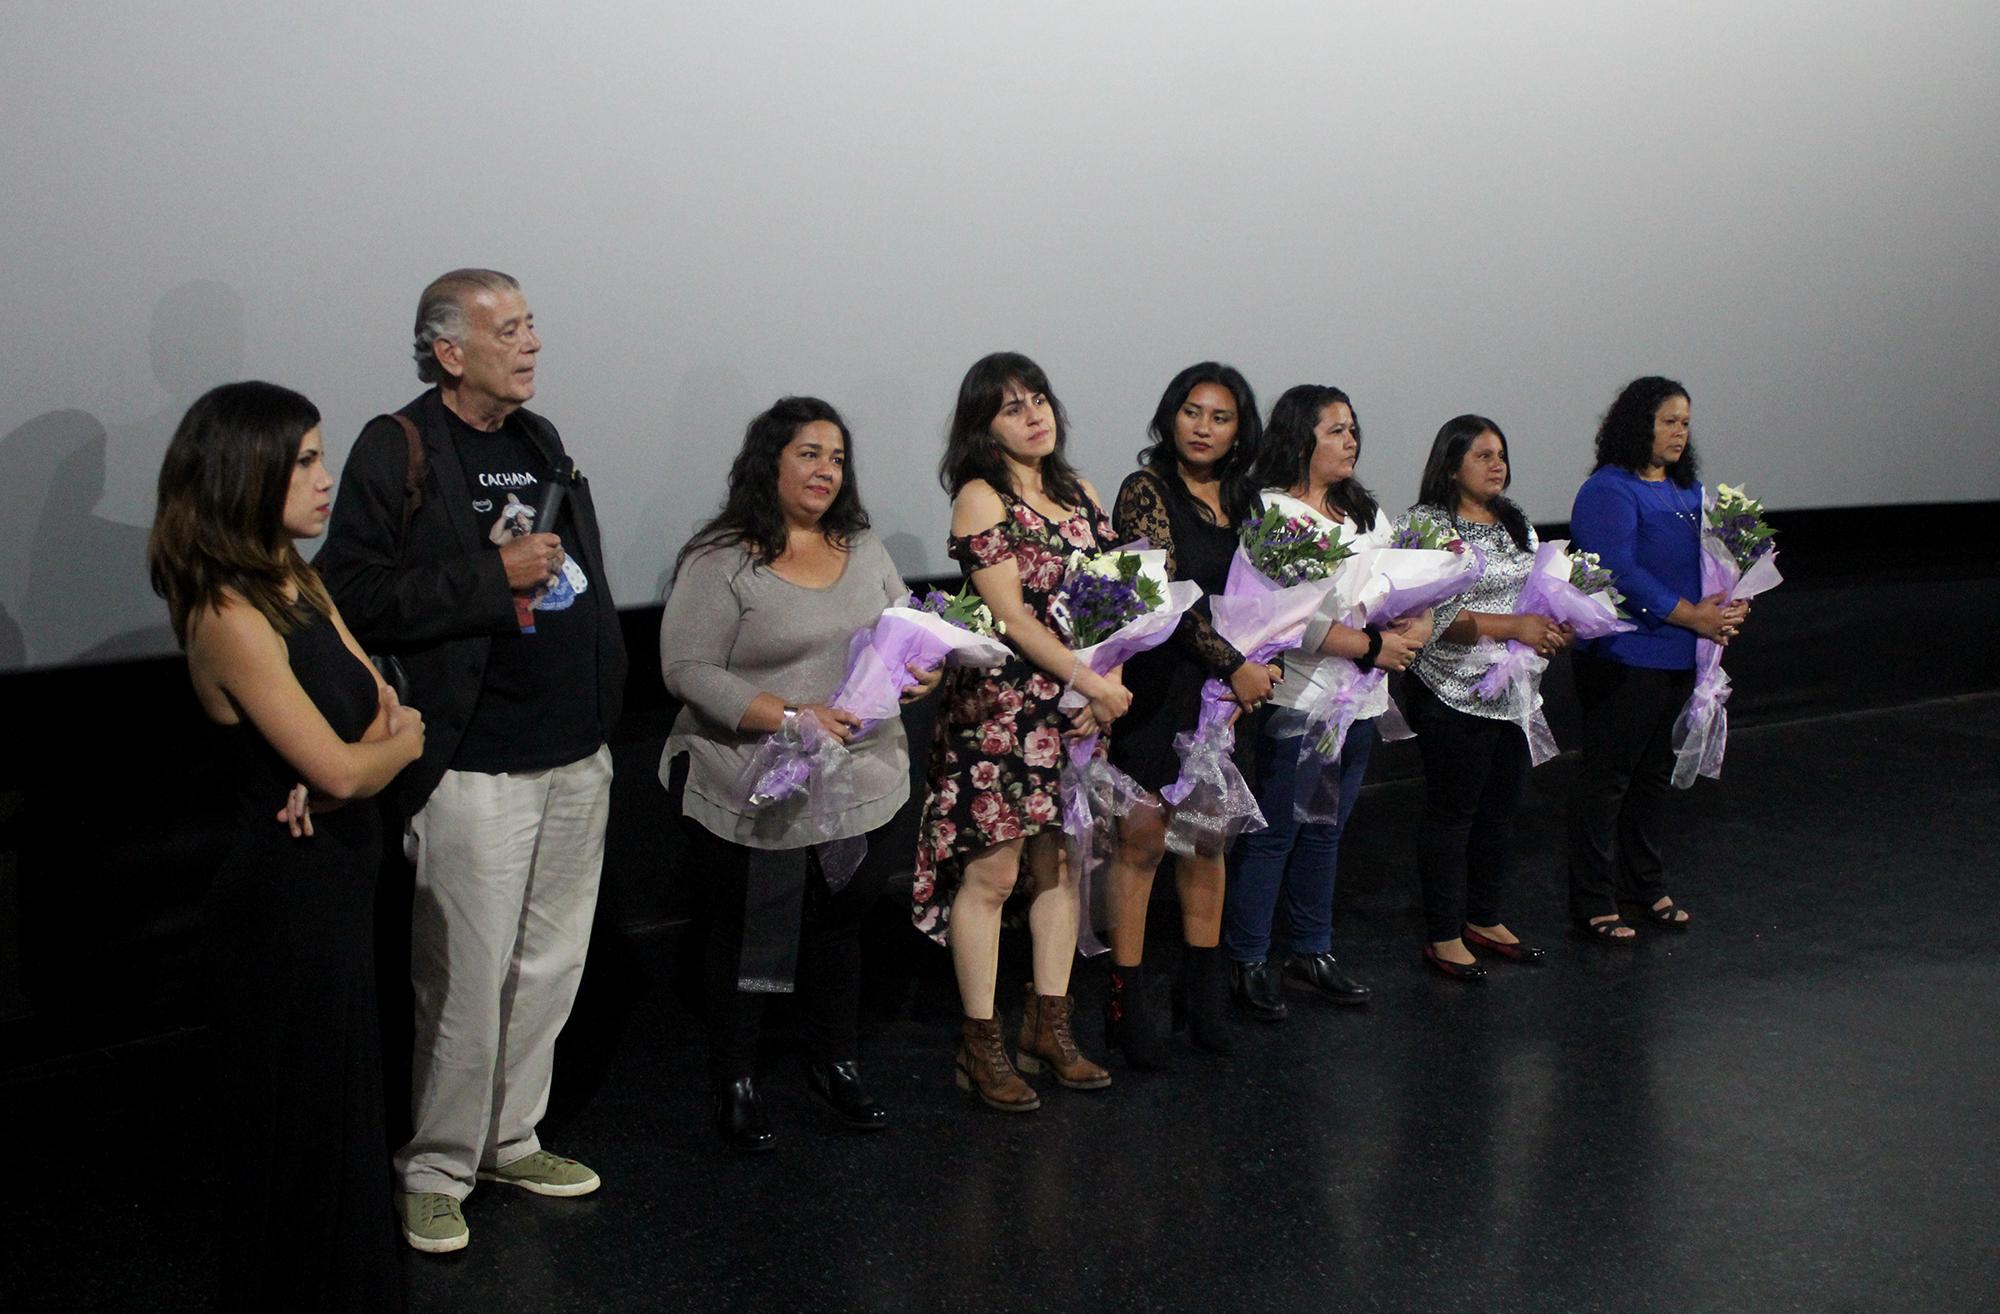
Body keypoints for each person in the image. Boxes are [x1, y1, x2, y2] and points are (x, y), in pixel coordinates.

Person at [317, 269, 628, 1253]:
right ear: (448, 350)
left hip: (574, 754)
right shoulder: (398, 445)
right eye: (508, 330)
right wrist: (490, 577)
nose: (530, 344)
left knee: (548, 965)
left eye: (532, 324)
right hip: (472, 762)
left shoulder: (539, 439)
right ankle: (437, 1167)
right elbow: (354, 594)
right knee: (462, 977)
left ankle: (509, 1135)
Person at [149, 381, 424, 1310]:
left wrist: (359, 749)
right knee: (303, 1122)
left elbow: (378, 704)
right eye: (303, 459)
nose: (325, 477)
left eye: (318, 454)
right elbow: (361, 761)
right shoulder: (228, 612)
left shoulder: (294, 580)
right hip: (286, 897)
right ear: (245, 471)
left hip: (337, 876)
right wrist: (369, 754)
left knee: (343, 1108)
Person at [660, 397, 940, 1150]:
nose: (825, 470)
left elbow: (906, 630)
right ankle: (738, 1076)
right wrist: (788, 715)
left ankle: (835, 1063)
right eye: (809, 453)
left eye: (837, 457)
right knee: (754, 934)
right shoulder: (722, 558)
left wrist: (921, 672)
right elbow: (685, 668)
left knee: (841, 928)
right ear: (770, 461)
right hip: (757, 779)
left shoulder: (863, 545)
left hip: (860, 781)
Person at [912, 351, 1127, 1112]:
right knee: (995, 875)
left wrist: (1108, 677)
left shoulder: (1081, 491)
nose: (1035, 415)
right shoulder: (980, 496)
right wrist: (1089, 679)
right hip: (1001, 714)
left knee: (1062, 868)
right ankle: (980, 1042)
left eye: (1039, 399)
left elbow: (1112, 601)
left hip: (1073, 710)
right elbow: (1011, 616)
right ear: (985, 426)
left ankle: (1049, 1026)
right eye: (1012, 407)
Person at [1223, 384, 1426, 1019]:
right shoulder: (1271, 512)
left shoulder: (1363, 512)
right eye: (1335, 430)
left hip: (1360, 702)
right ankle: (1248, 958)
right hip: (1300, 700)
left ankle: (1311, 950)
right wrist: (1370, 645)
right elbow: (1278, 619)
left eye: (1352, 428)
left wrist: (1411, 629)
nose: (1350, 440)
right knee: (1277, 833)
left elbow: (1404, 585)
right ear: (1298, 437)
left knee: (1327, 832)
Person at [1101, 362, 1273, 1065]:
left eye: (1220, 416)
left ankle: (1201, 998)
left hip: (1228, 700)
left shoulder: (1253, 505)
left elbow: (1275, 600)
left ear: (1240, 430)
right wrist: (1234, 661)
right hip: (1162, 685)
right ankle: (1125, 1002)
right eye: (1192, 412)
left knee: (1208, 843)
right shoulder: (1145, 491)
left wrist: (1268, 659)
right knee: (1143, 841)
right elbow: (1164, 593)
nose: (1203, 427)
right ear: (1171, 417)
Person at [1566, 376, 1747, 941]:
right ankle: (1595, 898)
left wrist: (1728, 601)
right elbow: (1617, 570)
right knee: (1610, 779)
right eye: (1668, 420)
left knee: (1651, 778)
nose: (1678, 432)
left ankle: (1644, 885)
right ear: (1637, 423)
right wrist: (1692, 614)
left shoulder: (1687, 492)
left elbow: (1706, 565)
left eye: (1685, 423)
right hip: (1624, 653)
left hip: (1676, 654)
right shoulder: (1609, 490)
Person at [1397, 415, 1570, 981]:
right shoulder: (1426, 523)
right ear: (1450, 465)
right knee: (1453, 814)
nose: (1498, 465)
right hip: (1449, 689)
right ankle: (1444, 933)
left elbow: (1538, 594)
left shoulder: (1515, 520)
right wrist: (1517, 626)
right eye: (1482, 456)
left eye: (1501, 454)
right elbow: (1434, 618)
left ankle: (1484, 917)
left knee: (1501, 811)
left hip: (1513, 693)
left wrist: (1554, 624)